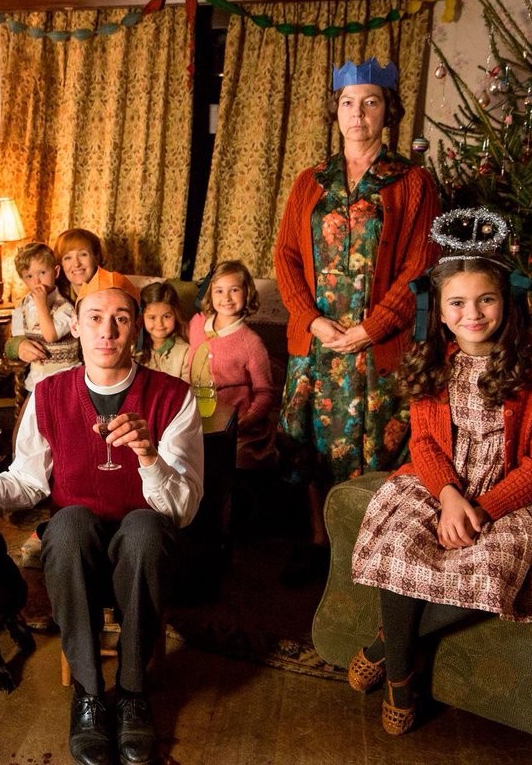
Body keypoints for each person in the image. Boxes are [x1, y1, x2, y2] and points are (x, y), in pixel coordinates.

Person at [0, 272, 204, 765]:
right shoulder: (50, 394)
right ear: (76, 328)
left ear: (136, 332)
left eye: (121, 320)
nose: (107, 331)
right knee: (69, 521)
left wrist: (148, 455)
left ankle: (130, 693)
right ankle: (87, 693)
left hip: (144, 559)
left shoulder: (174, 397)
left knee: (146, 527)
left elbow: (182, 511)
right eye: (96, 319)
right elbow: (26, 482)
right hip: (75, 557)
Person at [347, 229, 532, 736]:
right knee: (401, 542)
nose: (473, 313)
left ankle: (388, 646)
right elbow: (424, 444)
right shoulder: (435, 358)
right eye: (458, 302)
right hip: (440, 482)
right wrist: (448, 495)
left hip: (513, 494)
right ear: (441, 310)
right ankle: (402, 682)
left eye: (486, 299)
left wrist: (483, 508)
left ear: (507, 301)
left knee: (490, 569)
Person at [273, 57, 439, 584]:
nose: (358, 113)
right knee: (312, 448)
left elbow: (422, 263)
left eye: (371, 102)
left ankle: (366, 551)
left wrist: (373, 327)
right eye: (348, 102)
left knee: (375, 446)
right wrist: (311, 319)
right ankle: (319, 544)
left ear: (388, 111)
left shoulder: (411, 183)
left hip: (377, 345)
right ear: (335, 111)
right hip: (318, 341)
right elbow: (285, 256)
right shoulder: (309, 182)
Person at [186, 261, 276, 470]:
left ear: (247, 293)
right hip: (198, 421)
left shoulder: (251, 343)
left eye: (234, 290)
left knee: (229, 466)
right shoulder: (197, 323)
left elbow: (265, 394)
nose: (226, 298)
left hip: (240, 430)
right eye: (219, 290)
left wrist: (244, 422)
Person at [6, 228, 106, 369]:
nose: (76, 264)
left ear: (97, 258)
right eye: (67, 257)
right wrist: (19, 345)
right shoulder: (49, 291)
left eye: (83, 254)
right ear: (59, 265)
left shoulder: (108, 296)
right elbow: (11, 343)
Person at [11, 241, 78, 394]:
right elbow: (17, 336)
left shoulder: (65, 307)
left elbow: (50, 336)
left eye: (42, 273)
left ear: (56, 272)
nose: (36, 281)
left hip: (63, 379)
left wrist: (41, 305)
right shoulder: (24, 305)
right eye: (29, 276)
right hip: (37, 377)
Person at [135, 281, 190, 380]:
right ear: (142, 317)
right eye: (152, 317)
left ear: (176, 315)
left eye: (166, 316)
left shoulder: (185, 353)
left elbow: (187, 389)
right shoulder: (133, 349)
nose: (159, 324)